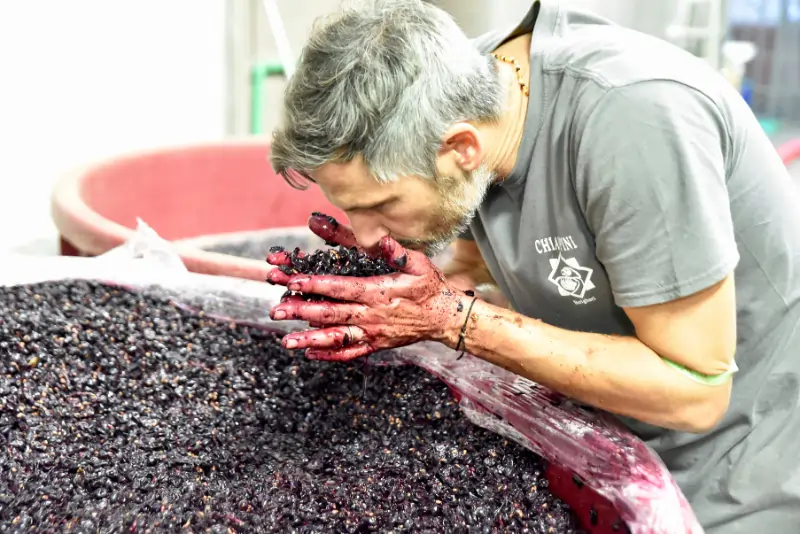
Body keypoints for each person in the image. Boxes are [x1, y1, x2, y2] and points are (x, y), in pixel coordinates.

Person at [264, 0, 800, 531]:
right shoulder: (462, 93)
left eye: (380, 206)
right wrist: (441, 282)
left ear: (463, 147)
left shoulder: (636, 121)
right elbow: (475, 243)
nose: (365, 232)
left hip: (737, 460)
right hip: (602, 436)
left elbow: (696, 390)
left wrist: (454, 319)